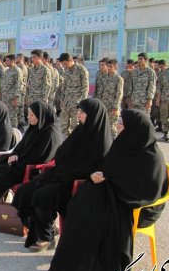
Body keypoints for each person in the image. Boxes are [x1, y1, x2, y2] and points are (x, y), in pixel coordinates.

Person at [42, 109, 169, 271]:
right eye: (118, 120)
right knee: (79, 207)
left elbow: (146, 191)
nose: (117, 125)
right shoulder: (124, 145)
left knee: (88, 217)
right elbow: (111, 169)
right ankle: (64, 267)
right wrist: (98, 176)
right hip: (115, 195)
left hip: (136, 207)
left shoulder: (150, 157)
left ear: (134, 129)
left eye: (122, 122)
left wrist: (109, 182)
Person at [13, 98, 112, 251]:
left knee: (42, 195)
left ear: (93, 115)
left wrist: (69, 171)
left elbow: (93, 170)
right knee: (27, 190)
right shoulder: (80, 131)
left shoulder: (101, 142)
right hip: (61, 175)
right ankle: (38, 227)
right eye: (78, 111)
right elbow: (62, 154)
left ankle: (46, 236)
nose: (78, 115)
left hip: (77, 184)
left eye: (82, 112)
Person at [0, 101, 62, 221]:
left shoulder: (51, 133)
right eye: (28, 114)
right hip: (20, 162)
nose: (28, 117)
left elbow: (41, 157)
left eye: (32, 115)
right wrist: (15, 155)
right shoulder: (35, 128)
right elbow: (20, 147)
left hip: (31, 169)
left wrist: (19, 159)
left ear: (41, 115)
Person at [58, 53, 89, 136]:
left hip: (77, 103)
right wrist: (62, 100)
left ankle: (76, 144)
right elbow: (64, 87)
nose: (64, 66)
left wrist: (83, 103)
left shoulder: (81, 70)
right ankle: (67, 143)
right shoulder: (66, 71)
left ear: (71, 60)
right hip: (66, 102)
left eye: (65, 63)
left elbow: (85, 87)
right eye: (62, 64)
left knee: (75, 125)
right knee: (64, 125)